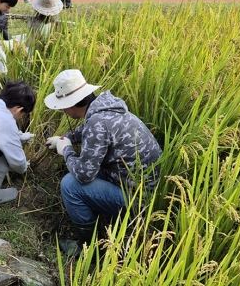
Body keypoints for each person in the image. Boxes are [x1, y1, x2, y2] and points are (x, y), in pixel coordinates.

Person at [44, 69, 162, 254]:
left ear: (72, 104)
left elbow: (84, 175)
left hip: (136, 200)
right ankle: (101, 218)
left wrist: (65, 150)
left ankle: (88, 248)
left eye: (63, 106)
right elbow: (89, 131)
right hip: (140, 186)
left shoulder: (97, 122)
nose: (62, 110)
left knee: (70, 185)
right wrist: (65, 137)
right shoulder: (107, 108)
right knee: (82, 167)